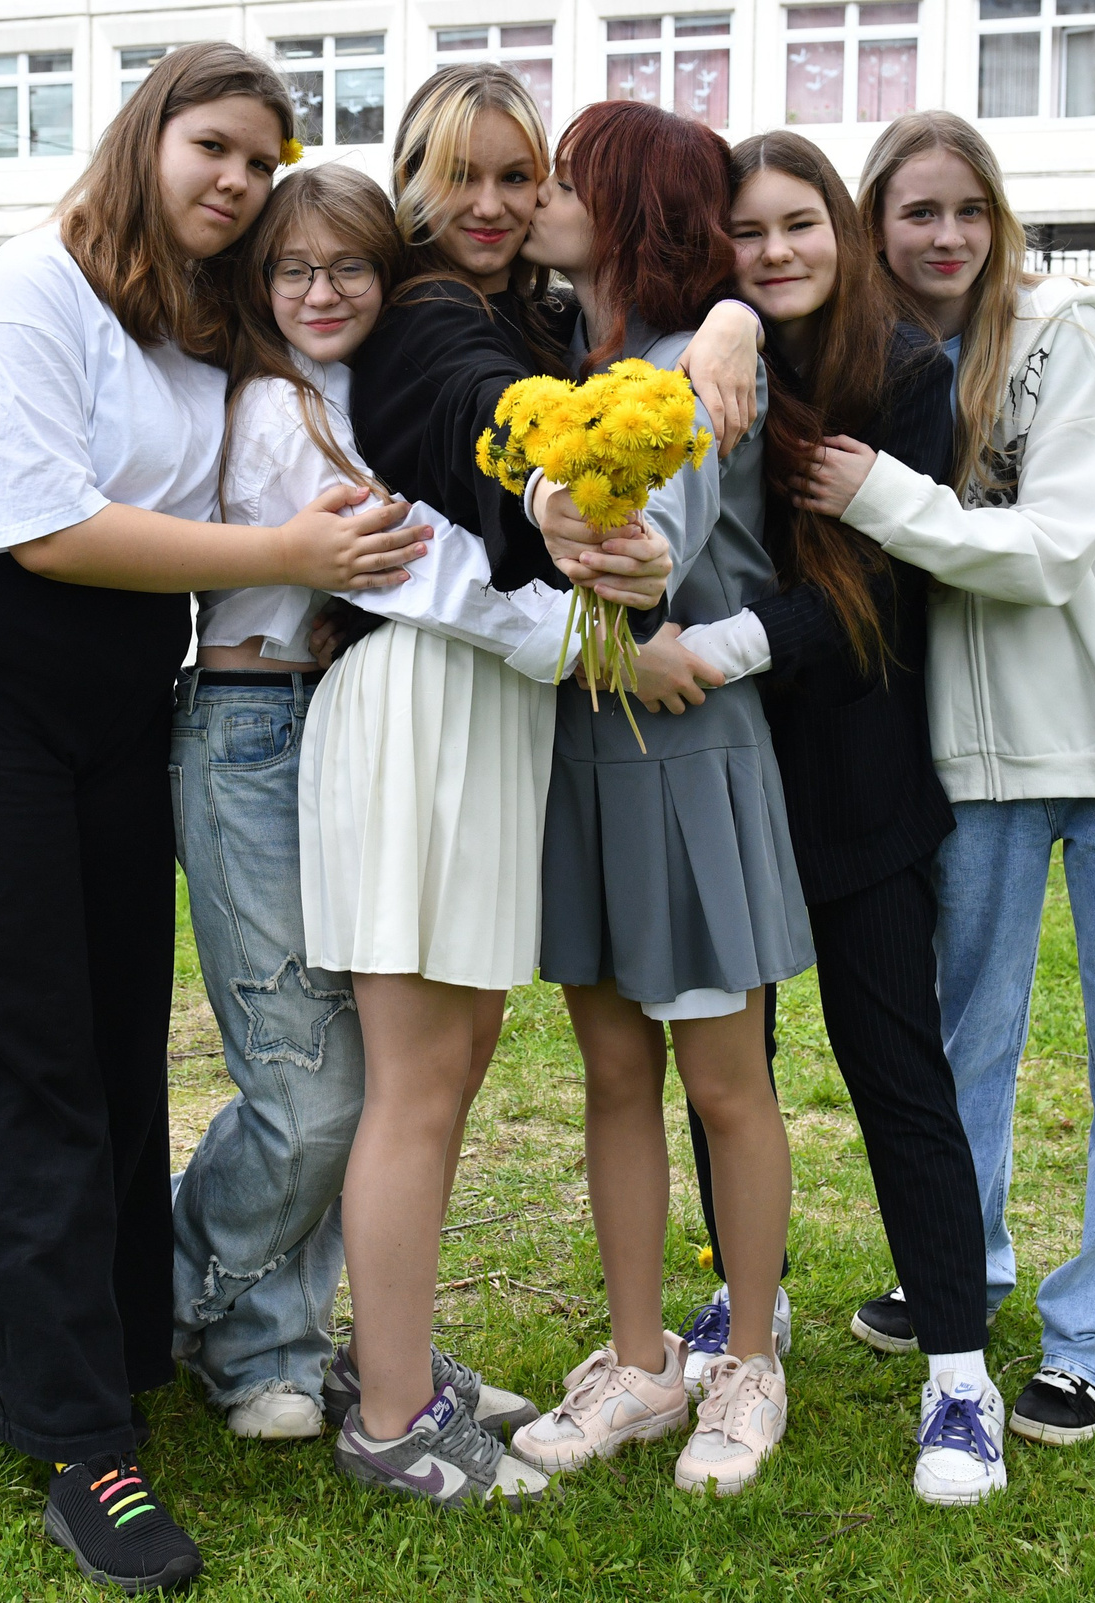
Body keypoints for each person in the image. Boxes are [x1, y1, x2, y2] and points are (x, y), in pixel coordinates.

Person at [0, 46, 426, 1593]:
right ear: (147, 138)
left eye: (262, 157)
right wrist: (292, 551)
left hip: (117, 687)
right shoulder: (24, 295)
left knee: (108, 1041)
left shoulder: (190, 316)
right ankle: (81, 1443)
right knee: (9, 1045)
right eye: (214, 146)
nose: (238, 179)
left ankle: (53, 1353)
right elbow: (39, 529)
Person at [170, 162, 668, 1449]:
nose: (322, 291)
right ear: (258, 283)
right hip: (257, 724)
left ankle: (320, 1339)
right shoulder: (282, 412)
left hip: (326, 698)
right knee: (322, 1079)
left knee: (357, 1071)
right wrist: (587, 622)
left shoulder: (351, 388)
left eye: (348, 267)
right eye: (294, 269)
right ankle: (182, 1306)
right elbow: (423, 567)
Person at [320, 64, 760, 1510]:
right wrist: (554, 482)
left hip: (500, 715)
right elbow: (472, 409)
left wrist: (736, 322)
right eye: (469, 177)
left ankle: (399, 1367)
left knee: (445, 1075)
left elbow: (656, 321)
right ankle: (393, 1414)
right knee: (421, 1084)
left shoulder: (538, 309)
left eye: (525, 178)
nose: (499, 206)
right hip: (428, 712)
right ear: (416, 180)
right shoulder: (430, 314)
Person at [795, 109, 1095, 1456]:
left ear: (999, 216)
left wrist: (875, 497)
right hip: (977, 756)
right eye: (918, 211)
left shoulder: (1063, 332)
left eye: (968, 209)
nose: (947, 236)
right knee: (962, 1033)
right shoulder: (879, 356)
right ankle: (957, 1270)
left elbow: (1048, 547)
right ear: (877, 222)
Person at [630, 127, 1006, 1506]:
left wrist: (715, 647)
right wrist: (722, 324)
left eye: (800, 225)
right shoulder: (698, 361)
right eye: (747, 234)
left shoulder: (897, 370)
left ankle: (960, 1378)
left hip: (849, 776)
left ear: (840, 234)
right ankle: (749, 1307)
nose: (775, 251)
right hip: (720, 778)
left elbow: (873, 608)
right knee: (727, 1077)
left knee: (896, 1066)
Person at [503, 100, 805, 1501]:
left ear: (633, 210)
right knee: (613, 1071)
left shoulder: (688, 366)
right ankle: (641, 1359)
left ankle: (748, 1356)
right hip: (592, 738)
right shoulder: (581, 353)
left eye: (571, 177)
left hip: (685, 744)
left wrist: (609, 573)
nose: (543, 196)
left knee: (723, 1080)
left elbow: (653, 544)